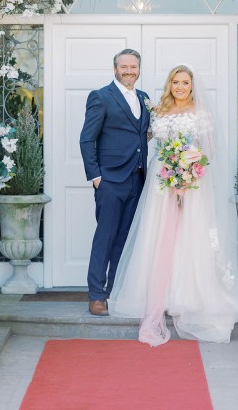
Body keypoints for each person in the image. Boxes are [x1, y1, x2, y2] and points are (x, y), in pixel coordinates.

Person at [108, 64, 238, 345]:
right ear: (169, 84)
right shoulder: (157, 111)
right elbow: (148, 142)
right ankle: (161, 294)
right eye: (175, 82)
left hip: (192, 181)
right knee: (158, 236)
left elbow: (208, 150)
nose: (180, 87)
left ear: (192, 86)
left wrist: (187, 171)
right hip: (161, 181)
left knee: (189, 236)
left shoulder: (200, 113)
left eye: (185, 82)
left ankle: (187, 296)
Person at [80, 49, 150, 316]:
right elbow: (87, 138)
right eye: (124, 67)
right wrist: (96, 176)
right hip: (110, 180)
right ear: (115, 69)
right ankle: (96, 295)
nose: (129, 71)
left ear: (139, 69)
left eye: (133, 67)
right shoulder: (100, 97)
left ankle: (115, 292)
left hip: (138, 179)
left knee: (125, 239)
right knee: (105, 237)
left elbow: (141, 134)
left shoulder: (144, 98)